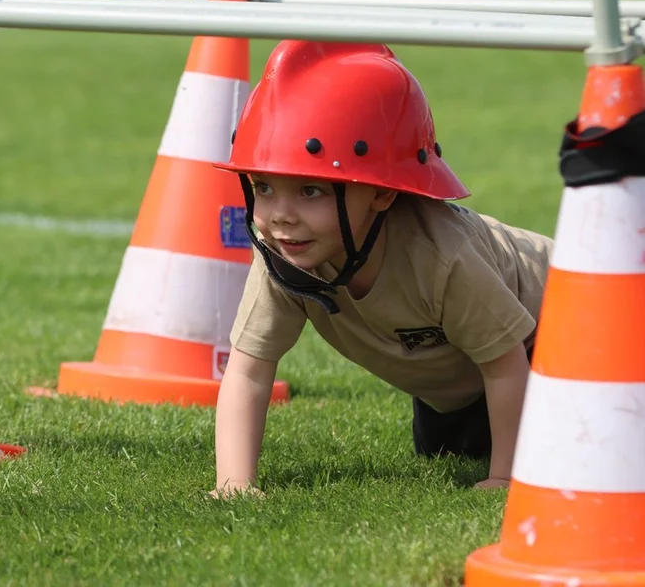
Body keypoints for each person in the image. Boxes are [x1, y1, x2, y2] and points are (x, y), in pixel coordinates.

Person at [210, 40, 552, 497]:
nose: (280, 215)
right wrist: (235, 484)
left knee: (590, 446)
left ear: (382, 193)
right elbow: (250, 369)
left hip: (565, 333)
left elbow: (506, 364)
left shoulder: (442, 256)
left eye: (310, 190)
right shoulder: (286, 255)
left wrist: (506, 479)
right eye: (265, 187)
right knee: (444, 450)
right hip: (462, 386)